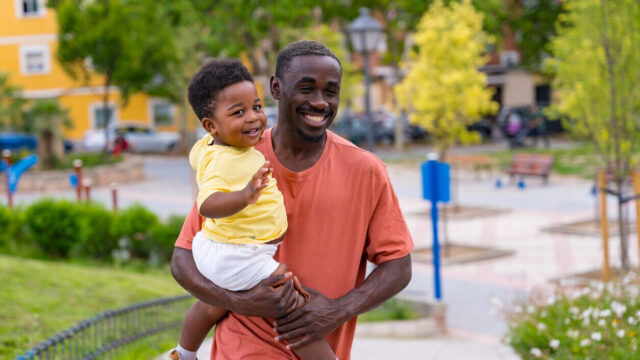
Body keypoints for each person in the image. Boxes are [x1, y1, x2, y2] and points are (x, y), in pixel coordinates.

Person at [171, 40, 413, 360]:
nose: (320, 102)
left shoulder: (366, 170)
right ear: (276, 87)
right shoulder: (237, 159)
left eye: (331, 91)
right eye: (306, 88)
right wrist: (238, 301)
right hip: (241, 348)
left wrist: (339, 309)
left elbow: (398, 265)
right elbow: (182, 259)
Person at [169, 59, 334, 360]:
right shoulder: (225, 161)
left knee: (211, 306)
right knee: (289, 300)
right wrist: (245, 195)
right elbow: (207, 203)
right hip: (237, 254)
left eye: (257, 107)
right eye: (238, 113)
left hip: (222, 247)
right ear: (211, 125)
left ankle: (183, 353)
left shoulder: (212, 145)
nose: (254, 118)